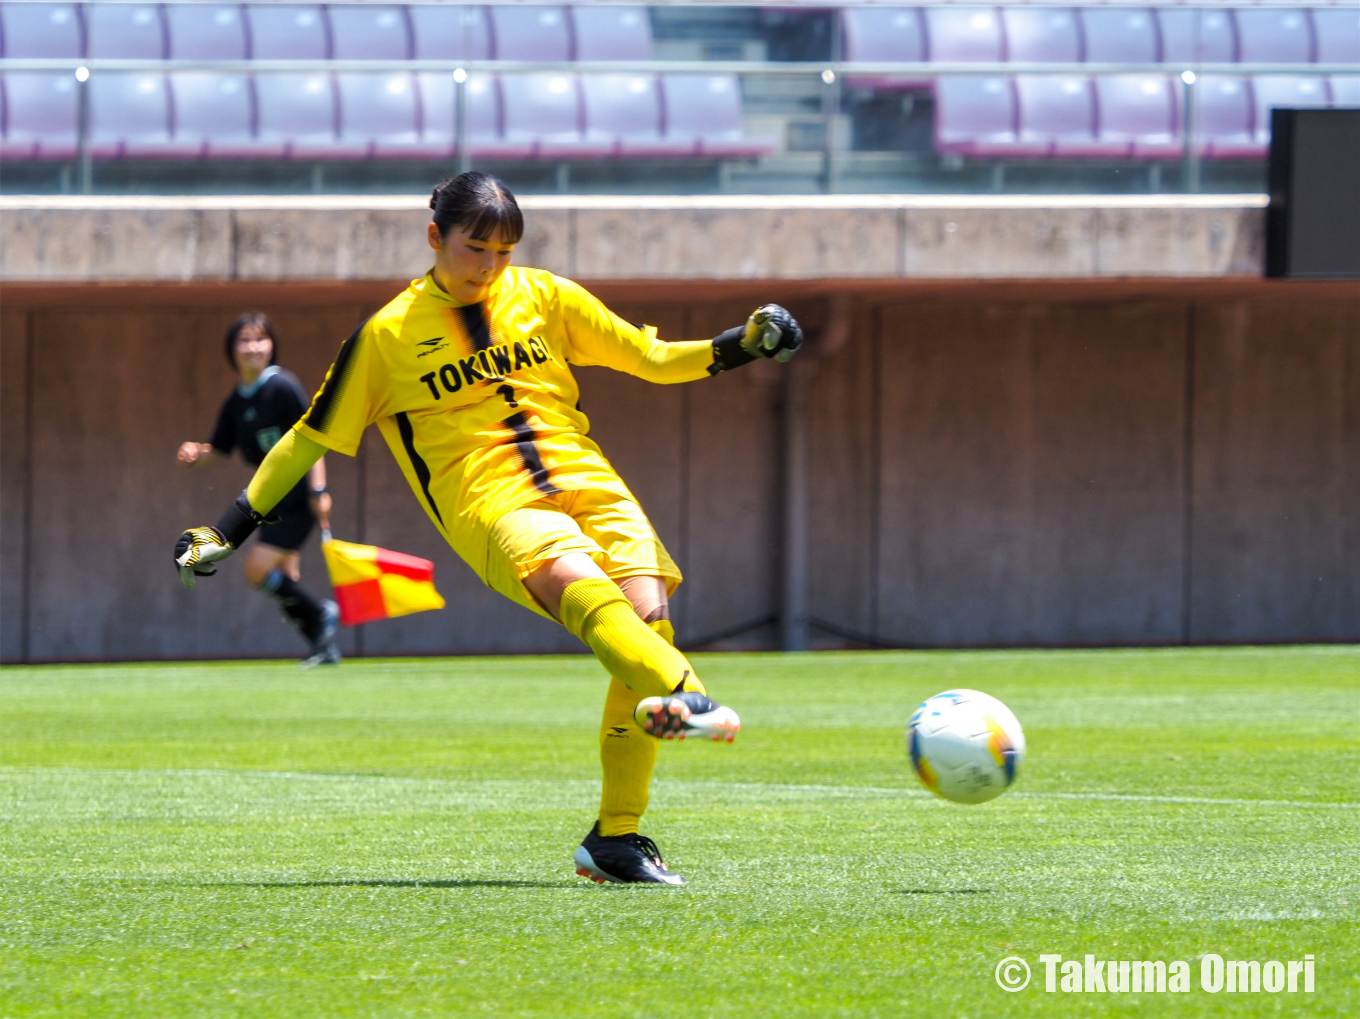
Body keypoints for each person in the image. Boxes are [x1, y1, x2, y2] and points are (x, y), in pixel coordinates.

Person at [174, 172, 802, 884]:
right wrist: (229, 528)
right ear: (435, 235)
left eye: (505, 251)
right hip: (495, 503)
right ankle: (687, 692)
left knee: (647, 628)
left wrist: (741, 343)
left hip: (589, 479)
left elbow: (651, 360)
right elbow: (304, 440)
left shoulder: (545, 295)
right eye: (476, 248)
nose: (490, 266)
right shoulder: (385, 337)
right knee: (594, 603)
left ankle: (616, 840)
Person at [177, 312, 341, 668]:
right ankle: (322, 645)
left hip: (296, 497)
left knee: (256, 570)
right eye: (245, 340)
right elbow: (217, 451)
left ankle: (322, 615)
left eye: (259, 339)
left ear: (271, 346)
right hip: (268, 500)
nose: (253, 347)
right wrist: (196, 455)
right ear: (232, 350)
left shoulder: (282, 387)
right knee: (285, 579)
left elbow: (314, 438)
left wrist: (319, 490)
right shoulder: (236, 401)